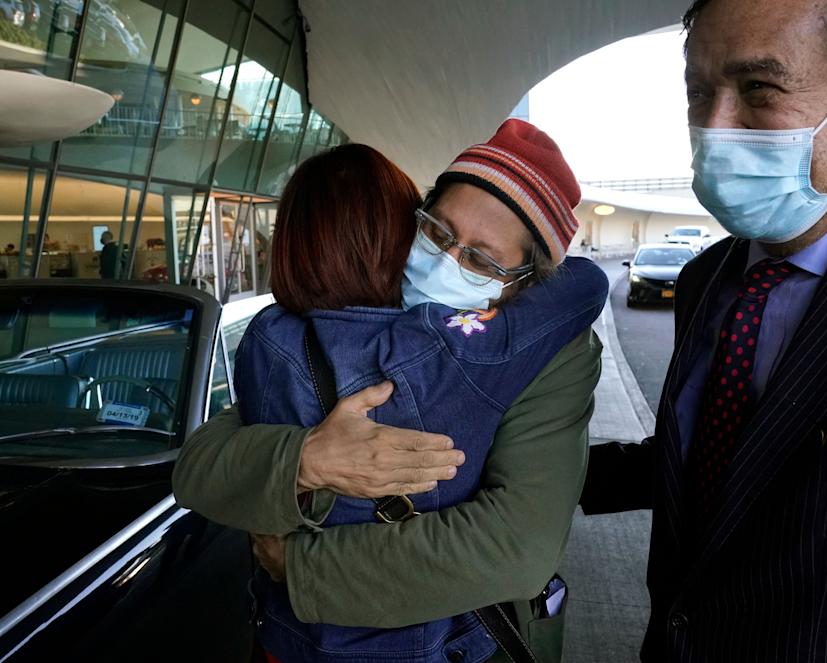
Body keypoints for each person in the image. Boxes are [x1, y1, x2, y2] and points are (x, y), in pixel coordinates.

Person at [580, 0, 827, 661]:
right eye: (700, 93)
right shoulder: (707, 279)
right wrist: (514, 469)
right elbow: (728, 459)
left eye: (759, 87)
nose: (715, 127)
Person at [173, 120, 607, 663]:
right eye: (438, 232)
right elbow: (201, 466)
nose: (445, 260)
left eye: (480, 258)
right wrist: (307, 459)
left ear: (523, 284)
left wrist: (301, 566)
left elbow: (514, 547)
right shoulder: (345, 314)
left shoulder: (552, 355)